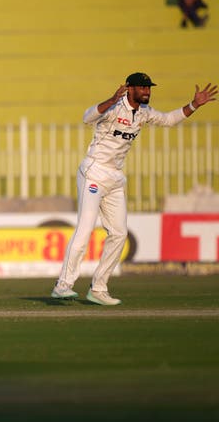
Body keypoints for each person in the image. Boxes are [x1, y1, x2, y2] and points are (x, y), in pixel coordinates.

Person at [51, 73, 217, 305]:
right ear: (130, 89)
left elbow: (169, 120)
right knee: (86, 228)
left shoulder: (144, 112)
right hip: (94, 171)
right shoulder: (114, 107)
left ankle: (98, 288)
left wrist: (194, 105)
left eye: (149, 88)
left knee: (119, 233)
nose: (147, 91)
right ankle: (63, 285)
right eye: (142, 87)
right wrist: (110, 99)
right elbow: (87, 117)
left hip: (116, 177)